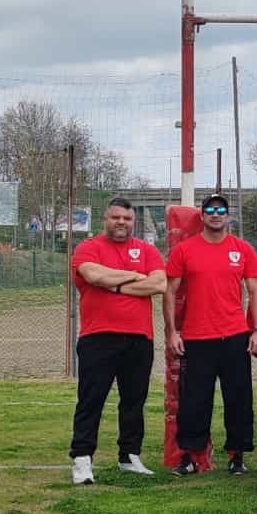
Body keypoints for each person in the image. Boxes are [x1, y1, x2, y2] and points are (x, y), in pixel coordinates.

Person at [165, 193, 257, 477]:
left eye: (221, 209)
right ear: (202, 214)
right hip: (197, 337)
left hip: (234, 336)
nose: (216, 214)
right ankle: (189, 456)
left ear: (228, 215)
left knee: (239, 397)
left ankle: (237, 455)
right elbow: (170, 292)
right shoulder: (185, 249)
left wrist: (256, 331)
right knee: (195, 400)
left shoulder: (242, 249)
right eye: (210, 209)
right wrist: (173, 332)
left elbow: (255, 290)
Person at [68, 198, 166, 484]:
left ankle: (129, 456)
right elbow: (93, 274)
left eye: (127, 218)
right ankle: (82, 458)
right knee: (91, 399)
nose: (121, 222)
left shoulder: (146, 249)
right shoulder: (89, 248)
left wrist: (115, 284)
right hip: (98, 337)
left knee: (134, 400)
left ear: (133, 221)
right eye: (116, 217)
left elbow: (159, 283)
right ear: (105, 219)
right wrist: (135, 277)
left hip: (139, 338)